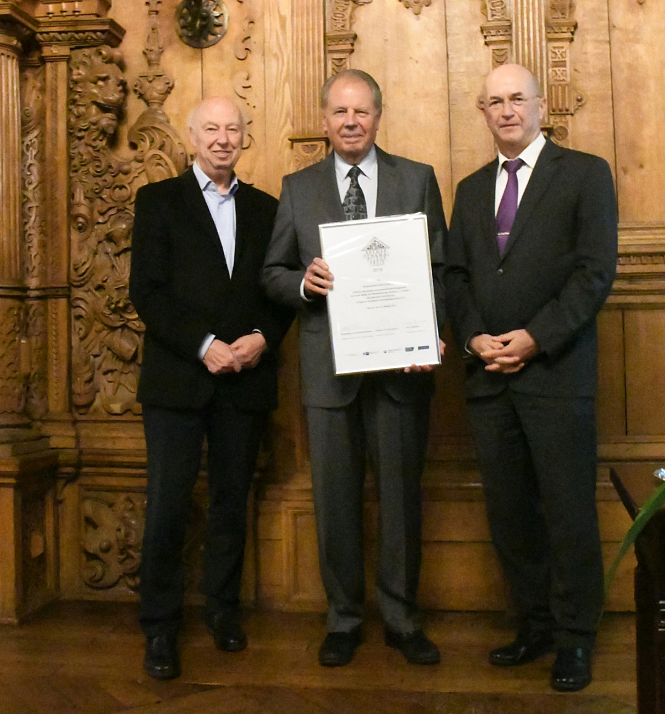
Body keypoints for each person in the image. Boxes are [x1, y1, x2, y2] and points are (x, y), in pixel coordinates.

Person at [262, 69, 447, 667]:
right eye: (340, 112)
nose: (350, 122)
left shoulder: (416, 180)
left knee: (399, 498)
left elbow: (438, 270)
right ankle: (342, 617)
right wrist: (304, 284)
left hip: (401, 371)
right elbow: (272, 274)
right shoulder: (298, 188)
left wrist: (431, 335)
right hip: (327, 372)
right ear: (324, 120)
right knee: (334, 500)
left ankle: (400, 617)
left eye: (361, 112)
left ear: (378, 116)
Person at [443, 64, 618, 692]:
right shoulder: (466, 190)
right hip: (488, 377)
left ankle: (575, 638)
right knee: (510, 514)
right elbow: (454, 276)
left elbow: (594, 273)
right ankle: (535, 623)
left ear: (542, 105)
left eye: (518, 98)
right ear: (483, 111)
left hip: (557, 373)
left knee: (569, 511)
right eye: (494, 101)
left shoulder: (585, 174)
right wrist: (471, 336)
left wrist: (536, 337)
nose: (507, 110)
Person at [129, 96, 294, 680]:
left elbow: (281, 292)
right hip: (178, 382)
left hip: (244, 382)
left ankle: (223, 611)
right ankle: (160, 628)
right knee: (168, 506)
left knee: (230, 503)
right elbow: (146, 293)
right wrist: (204, 345)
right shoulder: (157, 202)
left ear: (245, 138)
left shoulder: (269, 209)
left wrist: (260, 339)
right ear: (192, 138)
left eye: (233, 129)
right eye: (211, 130)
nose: (222, 138)